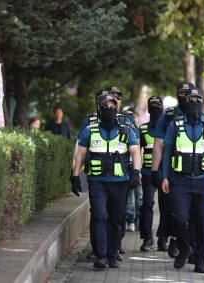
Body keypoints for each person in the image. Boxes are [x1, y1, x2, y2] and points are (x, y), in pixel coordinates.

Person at [70, 92, 141, 269]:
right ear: (99, 109)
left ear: (117, 109)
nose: (109, 109)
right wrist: (75, 176)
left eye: (112, 106)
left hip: (120, 182)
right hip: (97, 182)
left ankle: (112, 253)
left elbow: (135, 151)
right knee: (100, 215)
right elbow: (79, 154)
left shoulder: (126, 129)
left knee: (116, 219)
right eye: (105, 106)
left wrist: (136, 172)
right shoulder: (90, 130)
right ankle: (101, 255)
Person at [161, 87, 204, 273]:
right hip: (180, 180)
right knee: (180, 218)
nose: (195, 104)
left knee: (202, 220)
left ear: (202, 103)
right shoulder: (176, 124)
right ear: (185, 104)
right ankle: (184, 248)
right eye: (192, 101)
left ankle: (200, 259)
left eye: (199, 101)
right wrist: (165, 176)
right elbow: (167, 152)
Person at [151, 82, 195, 258]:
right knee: (171, 209)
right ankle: (175, 238)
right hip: (170, 173)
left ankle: (189, 245)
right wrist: (155, 171)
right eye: (181, 94)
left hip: (195, 172)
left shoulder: (201, 116)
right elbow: (158, 146)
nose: (184, 98)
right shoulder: (167, 117)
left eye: (187, 94)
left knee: (193, 211)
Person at [138, 96, 164, 251]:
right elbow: (136, 152)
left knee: (166, 206)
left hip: (165, 173)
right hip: (148, 172)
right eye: (152, 107)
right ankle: (147, 239)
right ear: (148, 109)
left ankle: (163, 238)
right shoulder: (143, 129)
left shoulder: (168, 127)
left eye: (157, 106)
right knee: (147, 204)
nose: (155, 109)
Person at [123, 106, 143, 232]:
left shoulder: (137, 130)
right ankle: (130, 220)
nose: (131, 118)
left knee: (140, 197)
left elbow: (139, 151)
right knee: (130, 197)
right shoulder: (123, 130)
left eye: (133, 115)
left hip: (137, 168)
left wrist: (138, 171)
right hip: (126, 168)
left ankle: (137, 220)